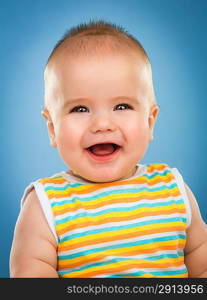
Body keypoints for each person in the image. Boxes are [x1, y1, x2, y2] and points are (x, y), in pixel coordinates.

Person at [10, 20, 207, 278]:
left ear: (150, 122)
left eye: (122, 106)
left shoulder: (173, 189)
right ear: (52, 128)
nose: (102, 124)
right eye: (79, 109)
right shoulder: (46, 204)